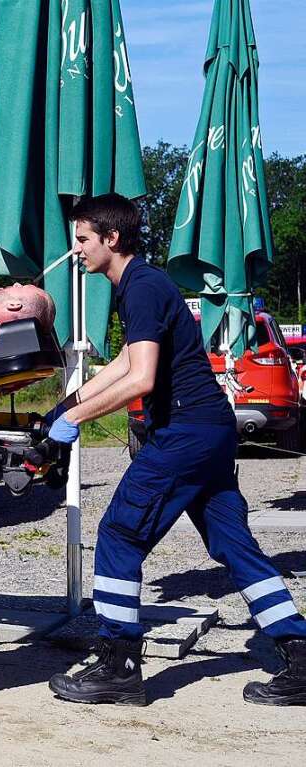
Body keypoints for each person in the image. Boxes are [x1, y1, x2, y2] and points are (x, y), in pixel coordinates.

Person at [43, 193, 306, 707]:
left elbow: (141, 379)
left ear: (111, 238)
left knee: (120, 532)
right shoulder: (143, 283)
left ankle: (118, 665)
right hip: (209, 430)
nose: (77, 251)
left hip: (183, 432)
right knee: (234, 546)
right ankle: (299, 653)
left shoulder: (140, 287)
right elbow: (126, 360)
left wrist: (73, 421)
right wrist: (66, 405)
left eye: (82, 240)